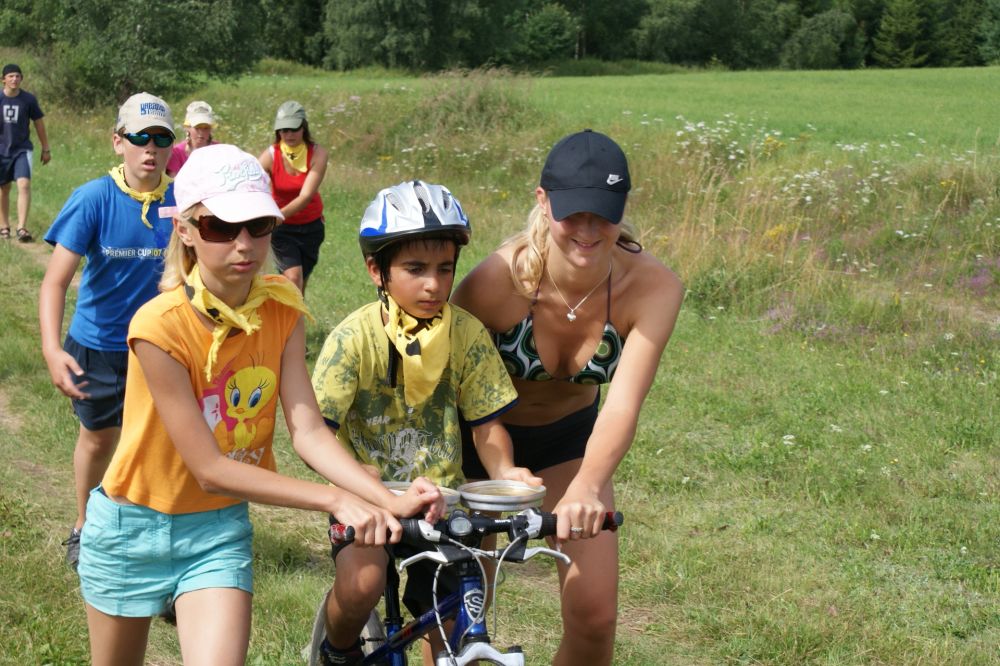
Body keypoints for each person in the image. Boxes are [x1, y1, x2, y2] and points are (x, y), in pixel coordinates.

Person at [76, 144, 444, 666]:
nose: (244, 244)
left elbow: (308, 431)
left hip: (215, 531)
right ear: (185, 229)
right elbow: (209, 469)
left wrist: (386, 497)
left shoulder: (281, 309)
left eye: (258, 225)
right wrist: (335, 499)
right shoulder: (158, 327)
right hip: (130, 528)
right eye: (221, 227)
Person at [451, 130, 685, 666]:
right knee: (459, 617)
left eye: (603, 214)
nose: (587, 229)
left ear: (623, 207)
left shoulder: (654, 288)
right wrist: (488, 466)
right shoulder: (496, 282)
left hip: (569, 445)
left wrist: (587, 486)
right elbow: (447, 380)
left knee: (595, 619)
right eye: (572, 213)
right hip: (478, 441)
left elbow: (622, 404)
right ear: (543, 201)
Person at [310, 180, 541, 666]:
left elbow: (487, 427)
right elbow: (318, 431)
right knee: (361, 586)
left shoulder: (466, 334)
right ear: (377, 270)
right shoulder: (352, 339)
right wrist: (359, 481)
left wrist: (505, 470)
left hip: (442, 502)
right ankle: (336, 650)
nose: (433, 285)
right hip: (366, 497)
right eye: (415, 269)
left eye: (444, 268)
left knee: (456, 622)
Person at [40, 92, 176, 570]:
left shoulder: (182, 201)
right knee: (99, 439)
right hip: (97, 346)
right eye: (140, 137)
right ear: (118, 142)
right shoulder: (94, 198)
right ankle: (84, 525)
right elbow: (55, 282)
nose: (150, 148)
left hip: (159, 348)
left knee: (157, 442)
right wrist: (52, 349)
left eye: (161, 139)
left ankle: (150, 530)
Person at [257, 100, 328, 294]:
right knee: (293, 277)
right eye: (283, 130)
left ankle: (295, 312)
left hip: (311, 227)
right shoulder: (271, 155)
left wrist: (277, 216)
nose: (288, 135)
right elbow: (251, 181)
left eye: (294, 129)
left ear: (303, 128)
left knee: (300, 282)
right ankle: (289, 313)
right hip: (282, 228)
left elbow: (306, 196)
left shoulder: (318, 154)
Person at [1, 63, 50, 242]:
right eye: (11, 76)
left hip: (22, 149)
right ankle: (4, 226)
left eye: (18, 76)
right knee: (4, 188)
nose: (14, 79)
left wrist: (45, 148)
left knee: (24, 185)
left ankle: (21, 227)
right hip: (1, 151)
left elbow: (39, 124)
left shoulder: (28, 100)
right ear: (3, 79)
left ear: (21, 78)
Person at [165, 100, 218, 177]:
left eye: (206, 128)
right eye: (197, 128)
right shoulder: (177, 153)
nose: (201, 132)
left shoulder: (219, 149)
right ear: (187, 128)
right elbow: (173, 181)